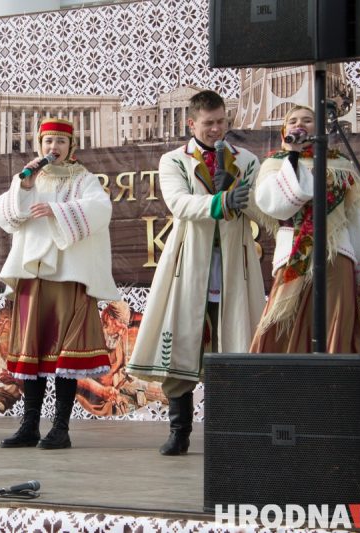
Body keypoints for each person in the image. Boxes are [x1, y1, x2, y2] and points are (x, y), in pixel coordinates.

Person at [126, 90, 267, 456]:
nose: (216, 128)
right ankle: (179, 431)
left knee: (232, 342)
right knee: (183, 341)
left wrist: (240, 195)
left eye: (221, 121)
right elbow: (178, 203)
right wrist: (219, 201)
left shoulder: (247, 160)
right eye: (208, 123)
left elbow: (264, 211)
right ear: (192, 123)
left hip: (235, 264)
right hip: (189, 264)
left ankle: (232, 434)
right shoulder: (174, 160)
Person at [0, 117, 120, 450]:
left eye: (60, 142)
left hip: (69, 276)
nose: (53, 148)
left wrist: (56, 210)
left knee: (67, 355)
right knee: (31, 351)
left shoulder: (85, 179)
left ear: (71, 146)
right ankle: (29, 425)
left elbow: (100, 210)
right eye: (48, 142)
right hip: (33, 276)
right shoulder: (30, 178)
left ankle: (60, 427)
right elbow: (5, 216)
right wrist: (23, 186)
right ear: (39, 146)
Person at [250, 105, 360, 353]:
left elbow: (358, 215)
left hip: (337, 254)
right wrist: (292, 155)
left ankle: (331, 387)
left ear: (320, 128)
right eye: (293, 120)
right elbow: (277, 206)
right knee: (282, 323)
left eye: (307, 120)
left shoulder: (340, 164)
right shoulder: (274, 164)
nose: (299, 124)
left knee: (334, 322)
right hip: (293, 255)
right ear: (284, 130)